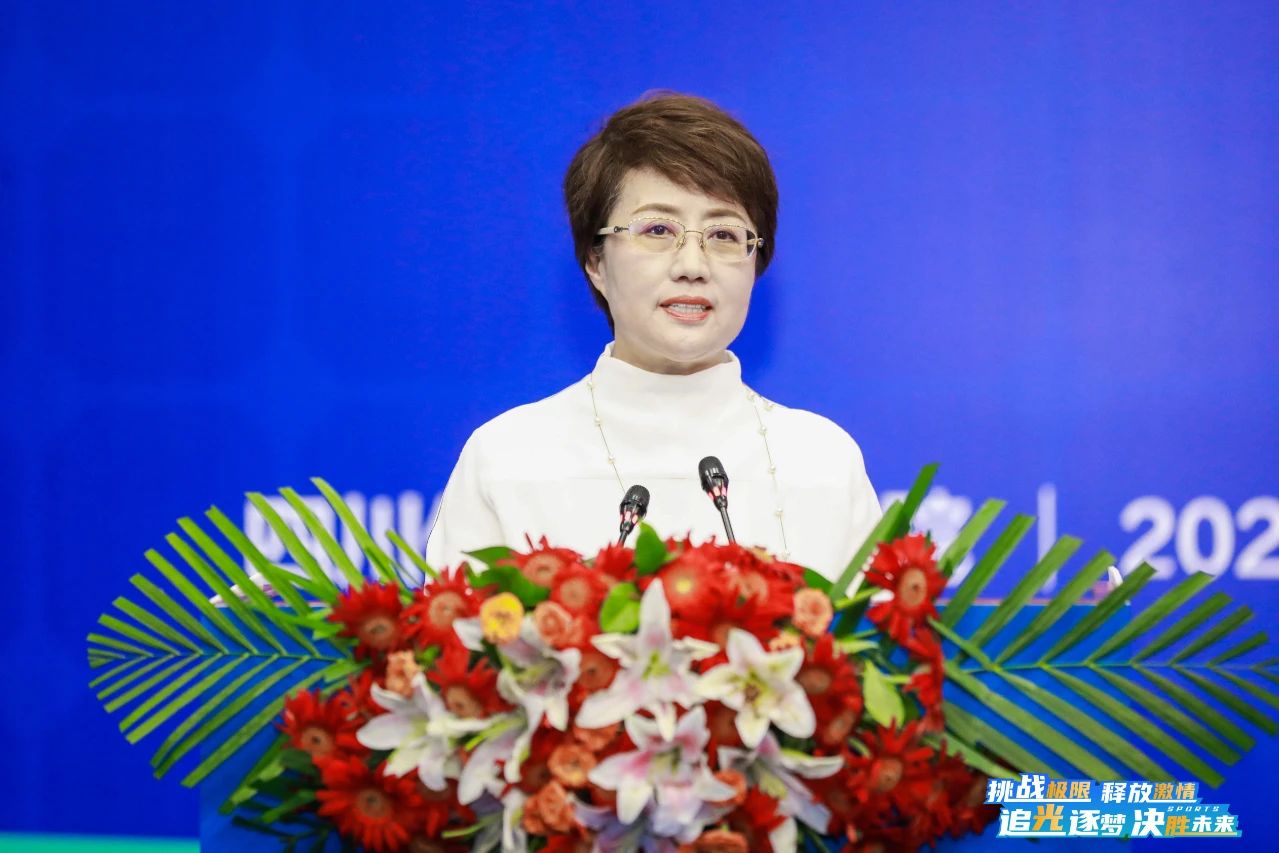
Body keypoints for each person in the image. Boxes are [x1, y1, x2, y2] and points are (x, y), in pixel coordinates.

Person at [425, 93, 880, 582]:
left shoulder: (822, 460)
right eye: (658, 229)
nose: (692, 266)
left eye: (724, 235)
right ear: (596, 261)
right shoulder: (508, 459)